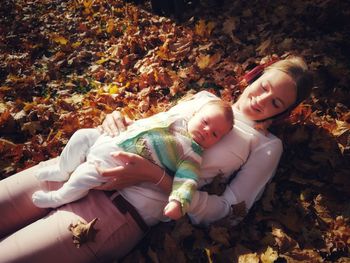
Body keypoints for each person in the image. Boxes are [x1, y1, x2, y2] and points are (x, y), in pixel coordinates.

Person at [0, 56, 313, 262]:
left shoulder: (264, 145)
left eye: (274, 102)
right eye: (264, 86)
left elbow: (231, 211)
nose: (259, 100)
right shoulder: (206, 99)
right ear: (254, 75)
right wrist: (115, 120)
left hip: (115, 212)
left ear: (282, 112)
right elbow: (153, 129)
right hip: (79, 165)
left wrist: (157, 179)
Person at [32, 100, 234, 220]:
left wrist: (178, 202)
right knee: (81, 136)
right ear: (194, 114)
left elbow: (186, 182)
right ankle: (62, 169)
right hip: (110, 139)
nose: (207, 131)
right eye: (205, 122)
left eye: (215, 134)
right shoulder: (177, 120)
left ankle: (59, 196)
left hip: (114, 162)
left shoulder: (191, 155)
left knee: (85, 175)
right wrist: (124, 120)